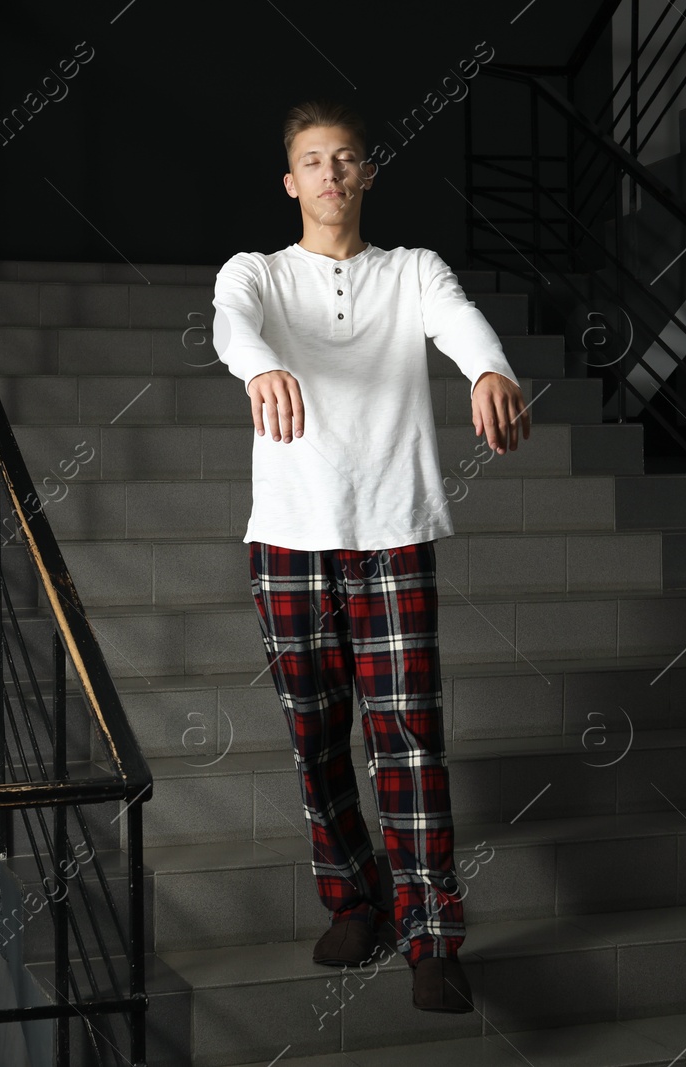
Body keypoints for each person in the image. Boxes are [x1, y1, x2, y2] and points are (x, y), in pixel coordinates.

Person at [210, 98, 530, 1014]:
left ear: (368, 174)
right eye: (314, 162)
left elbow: (460, 319)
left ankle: (432, 935)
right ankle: (355, 899)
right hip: (288, 542)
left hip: (394, 532)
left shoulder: (412, 270)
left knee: (410, 742)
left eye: (347, 160)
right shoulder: (258, 273)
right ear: (291, 180)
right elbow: (236, 324)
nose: (332, 176)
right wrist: (259, 367)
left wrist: (491, 370)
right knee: (316, 741)